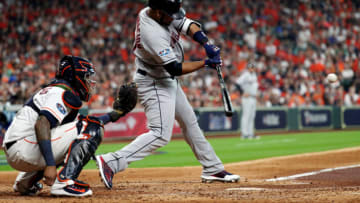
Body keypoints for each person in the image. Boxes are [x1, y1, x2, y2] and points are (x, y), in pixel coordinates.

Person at [95, 0, 240, 189]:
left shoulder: (161, 12)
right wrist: (205, 63)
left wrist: (205, 42)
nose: (173, 18)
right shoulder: (151, 33)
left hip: (166, 80)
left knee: (190, 123)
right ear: (156, 12)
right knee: (161, 134)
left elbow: (188, 24)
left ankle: (212, 168)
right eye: (169, 14)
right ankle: (112, 162)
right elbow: (174, 68)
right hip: (154, 82)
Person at [2, 55, 137, 197]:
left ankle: (25, 182)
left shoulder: (55, 89)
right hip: (25, 147)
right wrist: (50, 164)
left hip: (17, 149)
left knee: (82, 131)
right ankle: (65, 182)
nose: (89, 82)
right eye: (86, 76)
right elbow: (42, 123)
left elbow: (76, 127)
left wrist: (116, 114)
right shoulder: (61, 92)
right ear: (76, 76)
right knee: (92, 127)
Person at [236, 62, 259, 139]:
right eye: (250, 67)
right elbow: (237, 83)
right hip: (247, 98)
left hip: (253, 98)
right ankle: (244, 134)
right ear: (248, 68)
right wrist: (242, 93)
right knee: (246, 116)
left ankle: (250, 133)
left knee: (252, 116)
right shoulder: (246, 75)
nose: (252, 68)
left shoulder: (254, 75)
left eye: (253, 67)